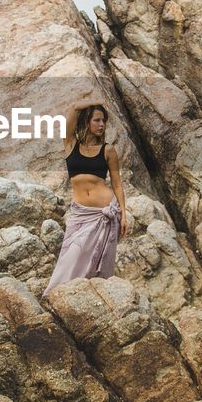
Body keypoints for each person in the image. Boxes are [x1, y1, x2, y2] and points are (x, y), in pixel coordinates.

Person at [41, 98, 128, 298]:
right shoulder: (71, 144)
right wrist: (87, 104)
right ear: (87, 122)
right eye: (97, 120)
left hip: (105, 212)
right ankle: (57, 294)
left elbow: (117, 184)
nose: (101, 125)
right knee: (70, 255)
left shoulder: (108, 150)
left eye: (103, 121)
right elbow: (71, 116)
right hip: (81, 212)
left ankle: (92, 297)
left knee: (99, 260)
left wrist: (123, 214)